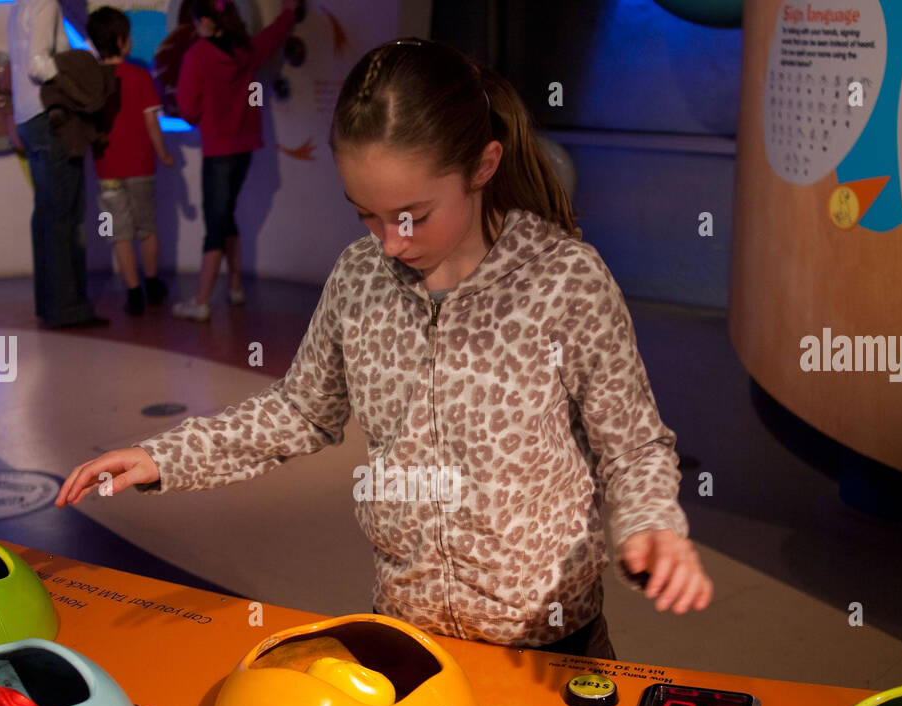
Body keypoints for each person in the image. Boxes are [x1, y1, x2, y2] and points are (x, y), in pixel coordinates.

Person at [56, 38, 713, 657]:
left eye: (412, 216)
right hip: (410, 639)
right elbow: (302, 410)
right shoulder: (359, 275)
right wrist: (165, 456)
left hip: (547, 648)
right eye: (365, 214)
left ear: (483, 167)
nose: (390, 242)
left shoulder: (565, 280)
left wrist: (651, 521)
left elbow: (630, 446)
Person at [171, 0, 298, 321]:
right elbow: (272, 37)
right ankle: (236, 287)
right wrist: (289, 12)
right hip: (244, 149)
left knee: (214, 224)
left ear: (206, 22)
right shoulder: (246, 50)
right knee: (225, 216)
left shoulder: (196, 56)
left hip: (217, 152)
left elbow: (187, 110)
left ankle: (201, 301)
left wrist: (203, 114)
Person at [8, 0, 107, 329]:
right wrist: (77, 92)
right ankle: (69, 308)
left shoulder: (20, 6)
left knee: (48, 214)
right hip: (51, 118)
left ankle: (50, 304)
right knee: (66, 216)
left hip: (28, 117)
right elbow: (40, 63)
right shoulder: (46, 3)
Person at [86, 6, 174, 316]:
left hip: (106, 168)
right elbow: (152, 122)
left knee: (119, 233)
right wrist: (163, 153)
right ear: (122, 40)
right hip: (140, 167)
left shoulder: (92, 79)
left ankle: (133, 291)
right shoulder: (139, 75)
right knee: (146, 228)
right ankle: (152, 283)